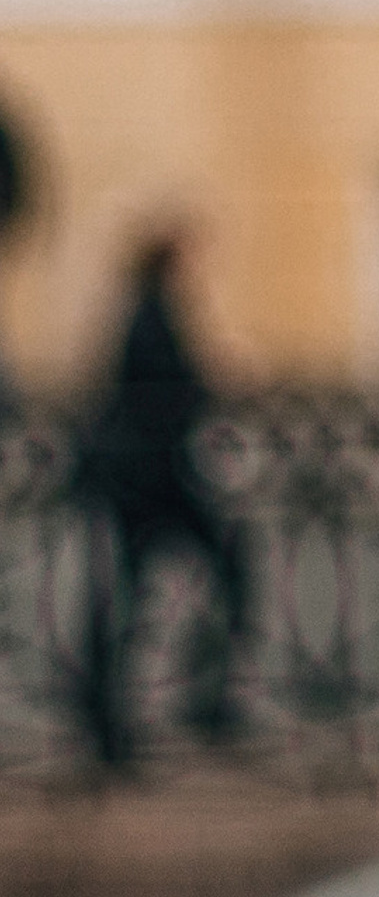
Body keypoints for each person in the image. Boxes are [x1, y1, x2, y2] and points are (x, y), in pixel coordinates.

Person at [75, 227, 251, 768]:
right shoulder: (150, 317)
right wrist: (218, 385)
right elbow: (166, 388)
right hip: (152, 480)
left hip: (146, 478)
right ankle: (150, 710)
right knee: (202, 577)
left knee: (140, 592)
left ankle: (120, 717)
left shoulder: (146, 312)